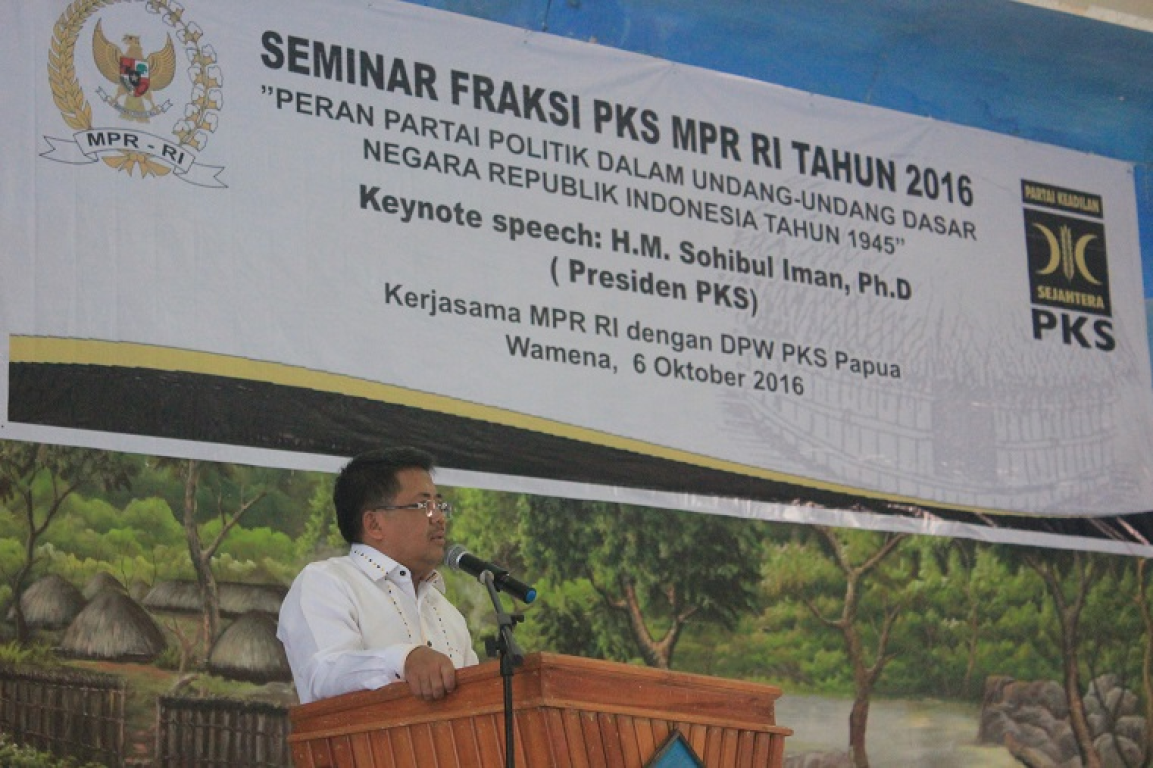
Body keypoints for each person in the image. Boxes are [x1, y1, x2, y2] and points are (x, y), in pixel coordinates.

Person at [277, 446, 479, 704]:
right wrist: (404, 660)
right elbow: (324, 674)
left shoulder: (447, 613)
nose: (439, 518)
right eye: (424, 505)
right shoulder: (326, 582)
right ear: (374, 524)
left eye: (439, 505)